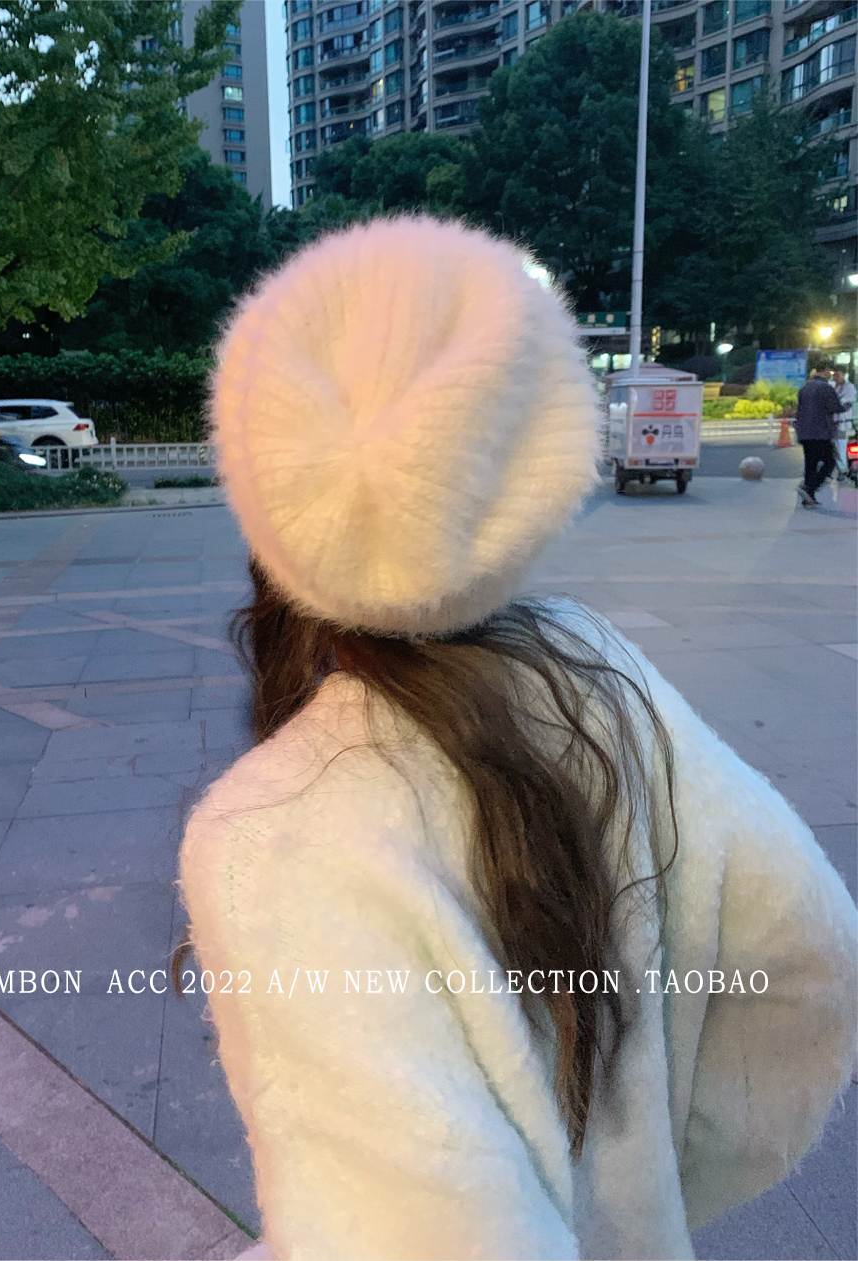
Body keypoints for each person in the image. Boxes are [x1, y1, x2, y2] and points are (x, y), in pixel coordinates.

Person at [175, 217, 857, 1261]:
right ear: (525, 468)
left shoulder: (272, 831)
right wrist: (659, 1191)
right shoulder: (602, 672)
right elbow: (810, 965)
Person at [794, 361, 846, 506]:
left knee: (810, 464)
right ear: (826, 370)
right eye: (830, 371)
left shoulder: (805, 387)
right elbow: (835, 407)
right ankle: (810, 488)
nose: (831, 374)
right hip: (820, 431)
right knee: (829, 462)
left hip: (804, 432)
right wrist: (845, 406)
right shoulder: (825, 387)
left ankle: (808, 498)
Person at [833, 366, 856, 477]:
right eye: (834, 375)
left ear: (843, 375)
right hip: (831, 423)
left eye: (838, 375)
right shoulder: (832, 386)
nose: (836, 377)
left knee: (841, 446)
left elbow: (846, 402)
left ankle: (843, 470)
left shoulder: (849, 387)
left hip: (843, 423)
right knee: (833, 447)